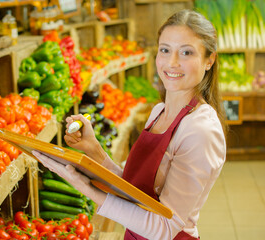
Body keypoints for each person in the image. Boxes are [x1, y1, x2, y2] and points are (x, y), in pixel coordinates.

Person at [32, 9, 227, 240]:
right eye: (165, 50)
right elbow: (136, 191)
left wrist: (87, 188)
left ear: (209, 60)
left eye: (186, 52)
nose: (172, 62)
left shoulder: (200, 129)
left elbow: (164, 228)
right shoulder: (159, 111)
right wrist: (94, 150)